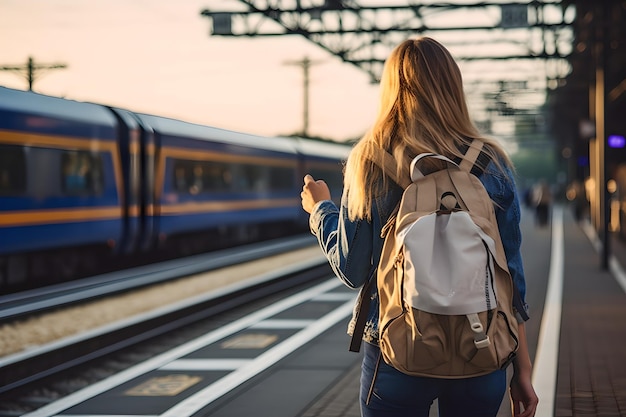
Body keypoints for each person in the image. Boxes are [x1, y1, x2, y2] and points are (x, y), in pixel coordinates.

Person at [300, 37, 538, 417]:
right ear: (452, 87)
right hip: (482, 351)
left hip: (396, 350)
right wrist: (522, 368)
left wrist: (320, 210)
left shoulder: (370, 159)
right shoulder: (491, 163)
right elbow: (510, 275)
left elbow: (352, 268)